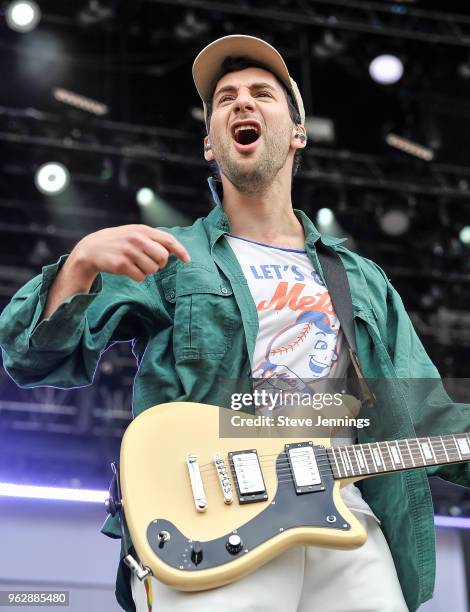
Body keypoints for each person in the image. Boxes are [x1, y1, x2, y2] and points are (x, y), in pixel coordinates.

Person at [0, 34, 469, 612]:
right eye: (225, 99)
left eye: (261, 93)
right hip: (213, 521)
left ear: (297, 134)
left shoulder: (361, 279)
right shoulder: (175, 257)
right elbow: (30, 356)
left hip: (347, 519)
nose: (242, 103)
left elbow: (426, 414)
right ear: (209, 144)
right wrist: (77, 267)